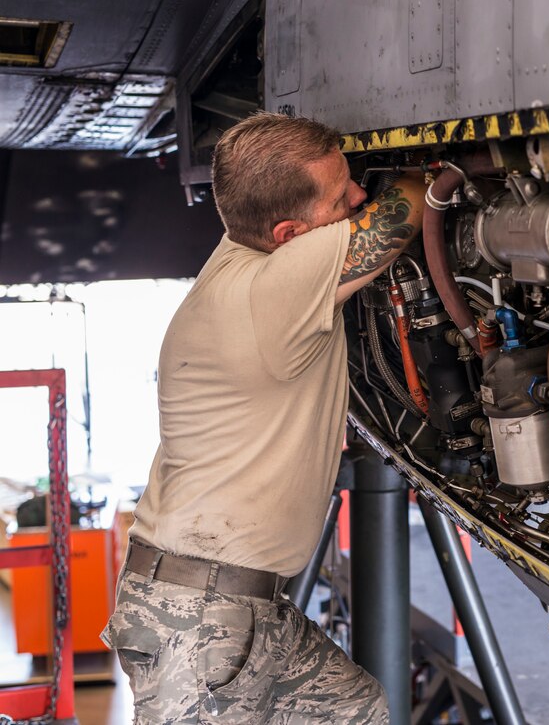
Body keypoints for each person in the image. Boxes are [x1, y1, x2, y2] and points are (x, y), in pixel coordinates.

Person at [101, 112, 424, 724]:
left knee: (353, 711)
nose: (359, 197)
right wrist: (441, 168)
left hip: (239, 602)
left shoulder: (240, 244)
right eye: (342, 197)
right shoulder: (274, 291)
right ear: (286, 232)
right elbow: (404, 207)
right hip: (197, 620)